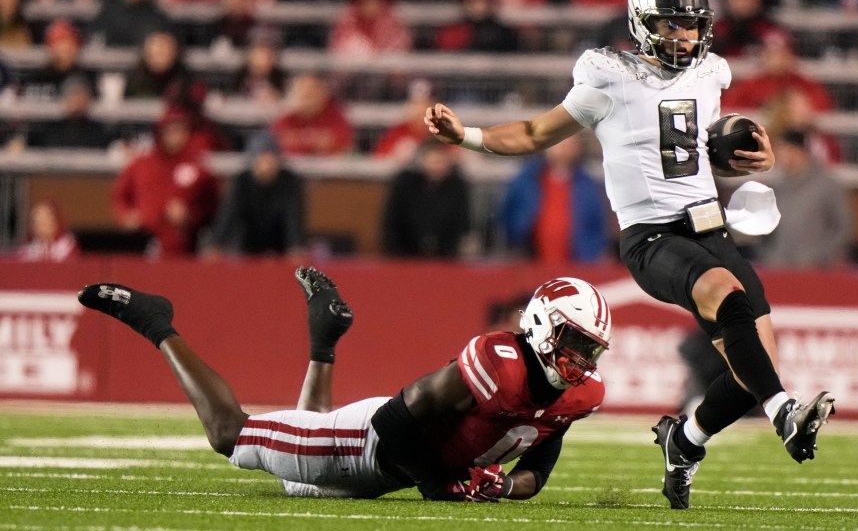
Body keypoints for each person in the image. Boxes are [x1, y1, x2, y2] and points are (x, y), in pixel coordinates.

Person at [425, 0, 836, 510]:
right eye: (673, 24)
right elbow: (532, 133)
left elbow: (696, 153)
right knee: (727, 299)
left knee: (751, 369)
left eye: (692, 26)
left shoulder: (710, 75)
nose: (685, 37)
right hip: (651, 237)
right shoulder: (607, 78)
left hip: (710, 226)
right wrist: (468, 137)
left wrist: (757, 156)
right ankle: (784, 412)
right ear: (643, 24)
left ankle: (683, 441)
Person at [76, 268, 611, 501]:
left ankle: (324, 340)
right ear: (541, 324)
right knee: (228, 433)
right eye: (574, 342)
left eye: (589, 349)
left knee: (298, 485)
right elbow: (394, 422)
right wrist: (440, 481)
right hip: (368, 444)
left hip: (386, 472)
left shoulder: (579, 397)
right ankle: (155, 321)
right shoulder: (498, 361)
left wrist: (502, 487)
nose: (580, 360)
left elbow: (537, 467)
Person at [111, 106, 218, 257]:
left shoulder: (199, 168)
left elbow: (211, 205)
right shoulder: (141, 164)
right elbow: (120, 195)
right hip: (143, 240)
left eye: (182, 130)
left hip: (185, 244)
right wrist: (125, 215)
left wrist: (191, 216)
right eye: (172, 130)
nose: (177, 136)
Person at [500, 134, 608, 264]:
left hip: (577, 263)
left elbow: (597, 223)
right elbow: (509, 215)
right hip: (531, 262)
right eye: (559, 144)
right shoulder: (527, 180)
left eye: (569, 144)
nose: (563, 149)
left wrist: (592, 251)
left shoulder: (587, 185)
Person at [755, 130, 854, 268]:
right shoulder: (775, 188)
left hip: (817, 270)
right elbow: (763, 231)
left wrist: (823, 256)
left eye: (786, 150)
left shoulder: (827, 185)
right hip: (779, 269)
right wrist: (770, 256)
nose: (782, 156)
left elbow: (843, 227)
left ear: (800, 151)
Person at [205, 132, 306, 259]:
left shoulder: (289, 181)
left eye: (270, 159)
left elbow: (293, 216)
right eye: (261, 159)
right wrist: (216, 244)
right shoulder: (242, 181)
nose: (266, 166)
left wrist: (295, 247)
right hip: (247, 244)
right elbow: (230, 213)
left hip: (281, 243)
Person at [381, 137, 471, 258]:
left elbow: (461, 222)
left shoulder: (457, 185)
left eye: (441, 160)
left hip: (445, 256)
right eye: (433, 160)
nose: (437, 166)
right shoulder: (405, 183)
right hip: (406, 254)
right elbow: (393, 221)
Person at [271, 73, 354, 155]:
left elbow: (342, 143)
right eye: (304, 94)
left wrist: (301, 141)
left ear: (323, 94)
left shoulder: (336, 115)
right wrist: (315, 143)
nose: (308, 98)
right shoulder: (287, 118)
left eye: (312, 93)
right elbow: (279, 143)